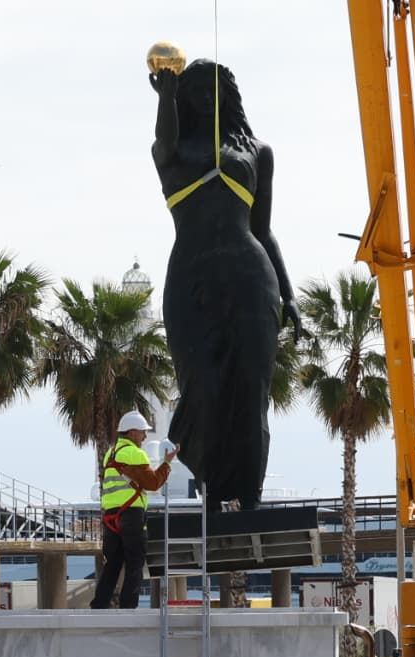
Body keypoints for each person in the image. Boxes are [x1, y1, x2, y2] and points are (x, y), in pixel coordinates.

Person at [150, 58, 299, 511]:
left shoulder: (258, 152)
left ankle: (249, 500)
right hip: (191, 282)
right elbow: (164, 141)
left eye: (214, 90)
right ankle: (214, 495)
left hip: (251, 279)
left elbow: (264, 229)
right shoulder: (173, 153)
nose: (206, 98)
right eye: (194, 91)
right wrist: (165, 97)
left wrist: (289, 295)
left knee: (251, 391)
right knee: (204, 388)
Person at [90, 411, 175, 610]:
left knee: (113, 564)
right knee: (135, 563)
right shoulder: (134, 453)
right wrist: (167, 463)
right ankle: (128, 608)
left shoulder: (110, 454)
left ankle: (99, 605)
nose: (145, 437)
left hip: (110, 516)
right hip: (131, 514)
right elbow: (152, 483)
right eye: (143, 432)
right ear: (132, 432)